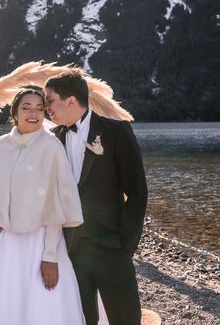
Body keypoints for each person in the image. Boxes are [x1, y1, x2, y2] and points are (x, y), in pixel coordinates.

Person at [0, 85, 86, 325]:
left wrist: (50, 256)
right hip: (5, 242)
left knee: (41, 308)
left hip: (41, 242)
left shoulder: (52, 147)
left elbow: (57, 204)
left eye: (40, 108)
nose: (33, 113)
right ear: (14, 112)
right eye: (26, 107)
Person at [45, 71, 148, 325]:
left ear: (70, 101)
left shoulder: (116, 132)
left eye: (50, 101)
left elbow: (137, 192)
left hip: (112, 247)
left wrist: (126, 245)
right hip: (71, 251)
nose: (46, 108)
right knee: (81, 320)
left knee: (125, 319)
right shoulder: (52, 140)